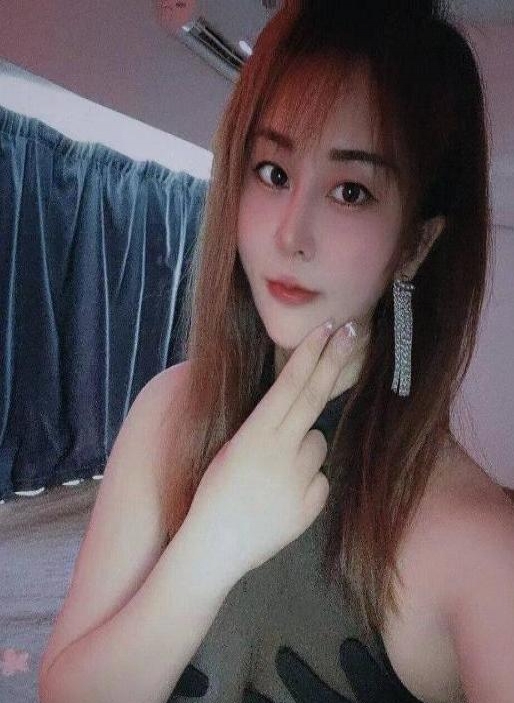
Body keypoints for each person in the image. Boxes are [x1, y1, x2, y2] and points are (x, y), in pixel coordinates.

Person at [39, 1, 514, 702]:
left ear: (415, 244)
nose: (292, 234)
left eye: (350, 191)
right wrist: (209, 546)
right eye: (273, 172)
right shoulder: (169, 409)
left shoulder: (474, 538)